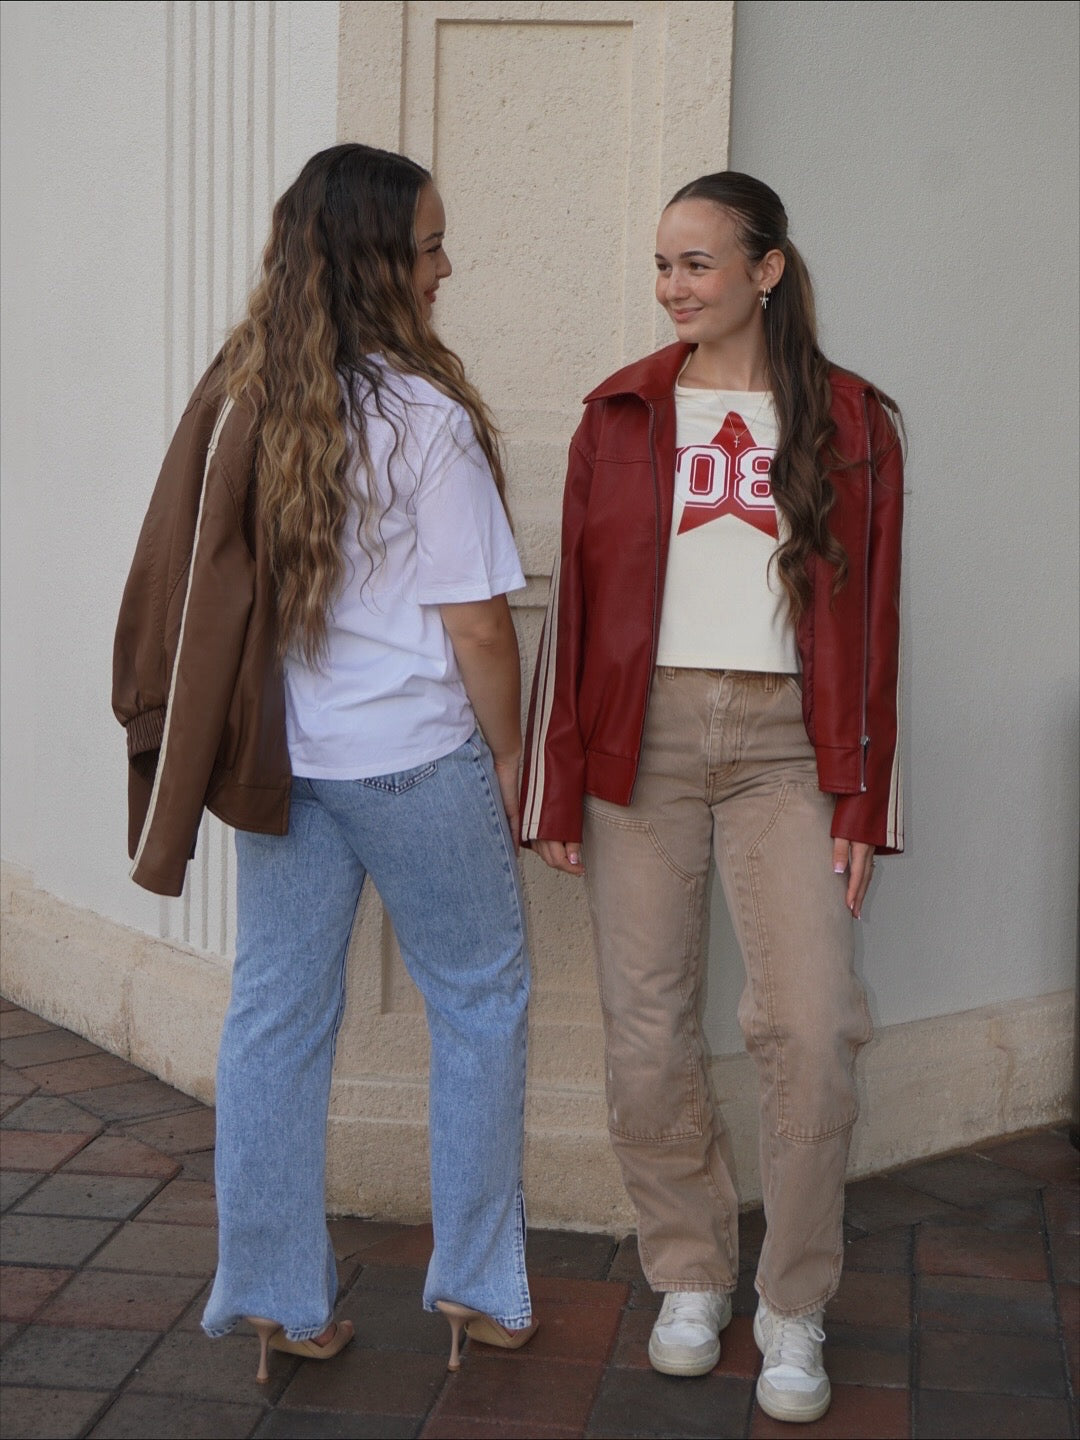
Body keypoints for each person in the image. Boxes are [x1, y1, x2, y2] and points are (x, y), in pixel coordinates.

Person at [113, 143, 537, 1383]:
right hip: (412, 764)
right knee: (480, 1001)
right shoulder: (423, 418)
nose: (447, 268)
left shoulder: (248, 395)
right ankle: (476, 1289)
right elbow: (477, 627)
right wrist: (512, 760)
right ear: (376, 262)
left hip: (282, 769)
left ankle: (273, 1300)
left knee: (277, 1019)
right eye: (430, 247)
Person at [521, 171, 902, 1424]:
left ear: (766, 270)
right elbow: (576, 615)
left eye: (699, 263)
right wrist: (561, 783)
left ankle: (793, 1302)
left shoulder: (850, 418)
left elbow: (877, 621)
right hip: (648, 741)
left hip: (791, 746)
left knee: (811, 1025)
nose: (675, 286)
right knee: (646, 1026)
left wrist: (866, 802)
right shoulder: (621, 412)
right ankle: (689, 1271)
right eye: (664, 265)